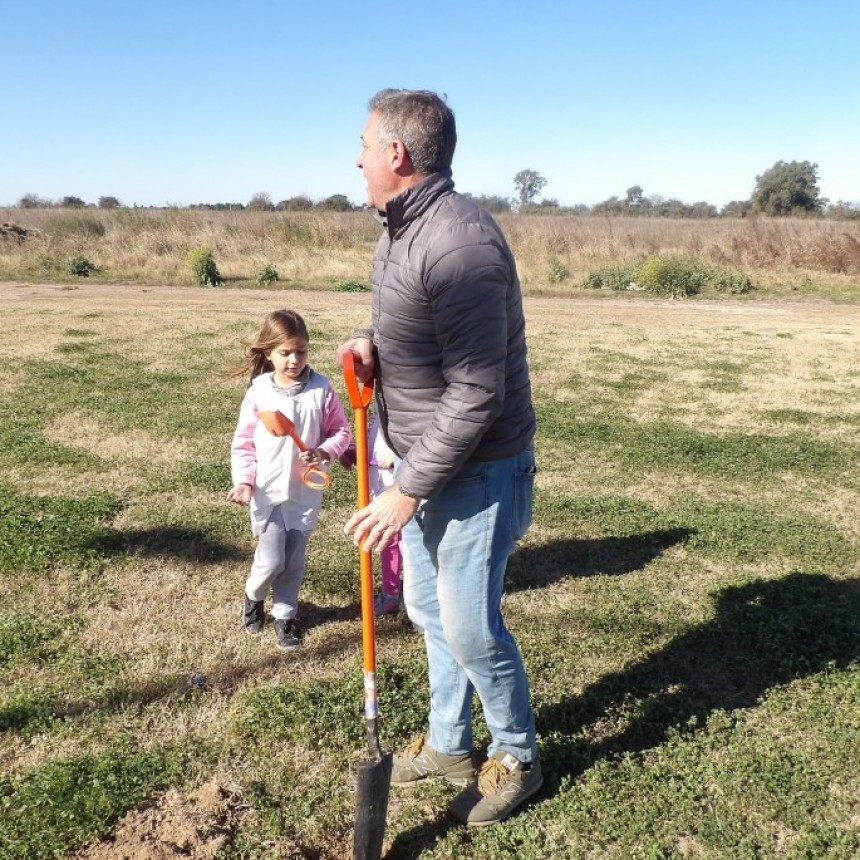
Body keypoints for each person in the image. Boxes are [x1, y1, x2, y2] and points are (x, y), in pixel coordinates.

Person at [338, 89, 541, 827]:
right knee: (427, 612)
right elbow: (415, 324)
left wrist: (406, 490)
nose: (355, 157)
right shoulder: (398, 231)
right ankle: (452, 743)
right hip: (428, 465)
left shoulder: (459, 243)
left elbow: (478, 391)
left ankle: (518, 755)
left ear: (396, 155)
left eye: (363, 143)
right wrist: (372, 343)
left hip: (478, 472)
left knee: (470, 628)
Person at [228, 309, 351, 650]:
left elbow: (340, 431)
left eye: (301, 351)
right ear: (268, 352)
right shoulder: (259, 392)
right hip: (267, 493)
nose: (294, 360)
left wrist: (324, 452)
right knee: (271, 560)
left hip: (304, 494)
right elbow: (244, 443)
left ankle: (285, 616)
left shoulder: (321, 389)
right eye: (285, 353)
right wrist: (244, 482)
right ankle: (253, 596)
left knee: (294, 562)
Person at [368, 415, 403, 615]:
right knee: (388, 542)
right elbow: (374, 441)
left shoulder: (406, 404)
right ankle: (391, 592)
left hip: (403, 490)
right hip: (380, 488)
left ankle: (419, 595)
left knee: (410, 546)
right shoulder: (377, 411)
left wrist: (397, 459)